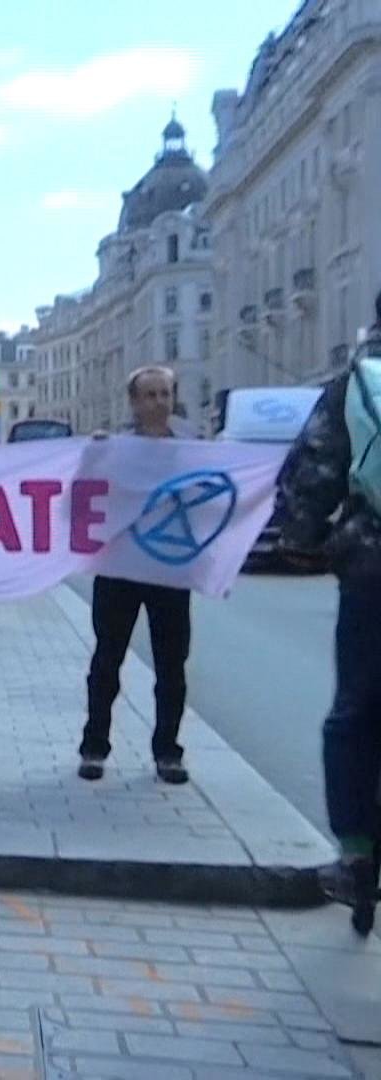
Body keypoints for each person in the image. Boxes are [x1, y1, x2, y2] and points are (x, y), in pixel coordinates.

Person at [280, 312, 381, 932]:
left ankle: (355, 856)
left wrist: (303, 539)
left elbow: (314, 469)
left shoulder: (360, 384)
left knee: (354, 711)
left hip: (372, 566)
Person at [79, 366, 192, 786]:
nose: (160, 402)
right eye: (150, 395)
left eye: (165, 393)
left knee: (172, 665)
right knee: (107, 659)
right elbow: (82, 493)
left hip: (169, 569)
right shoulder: (114, 450)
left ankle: (168, 752)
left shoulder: (192, 449)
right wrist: (93, 458)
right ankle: (94, 746)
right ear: (134, 402)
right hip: (120, 567)